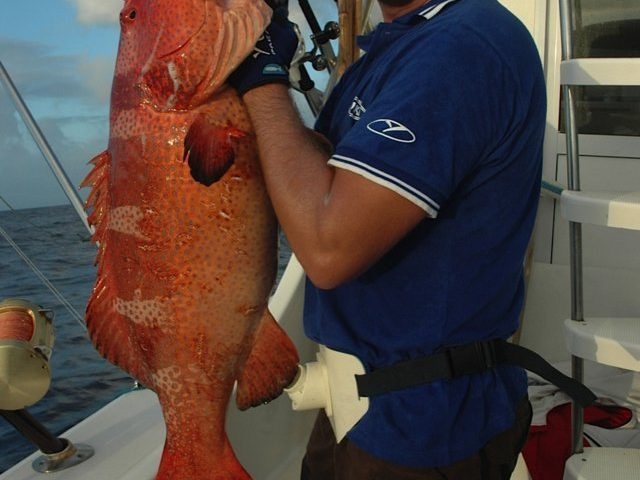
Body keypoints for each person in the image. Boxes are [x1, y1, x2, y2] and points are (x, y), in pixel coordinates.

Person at [228, 0, 546, 478]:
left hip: (425, 426)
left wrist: (263, 78)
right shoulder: (397, 46)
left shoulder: (463, 45)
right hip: (360, 407)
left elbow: (327, 247)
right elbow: (320, 174)